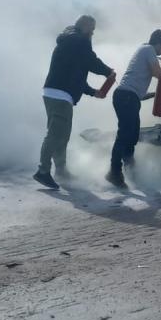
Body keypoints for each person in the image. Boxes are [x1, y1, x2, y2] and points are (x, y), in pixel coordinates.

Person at [34, 15, 114, 189]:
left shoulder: (70, 41)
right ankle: (43, 171)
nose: (93, 33)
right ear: (84, 26)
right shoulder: (79, 40)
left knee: (61, 135)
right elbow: (91, 61)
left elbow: (77, 77)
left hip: (55, 92)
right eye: (92, 29)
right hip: (60, 95)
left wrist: (94, 92)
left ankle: (61, 171)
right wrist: (108, 71)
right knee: (55, 135)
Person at [107, 29, 161, 187]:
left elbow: (138, 91)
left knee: (132, 135)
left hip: (128, 97)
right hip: (126, 97)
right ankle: (114, 172)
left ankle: (130, 169)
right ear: (158, 43)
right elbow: (158, 73)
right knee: (124, 135)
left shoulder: (143, 50)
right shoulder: (148, 49)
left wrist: (154, 94)